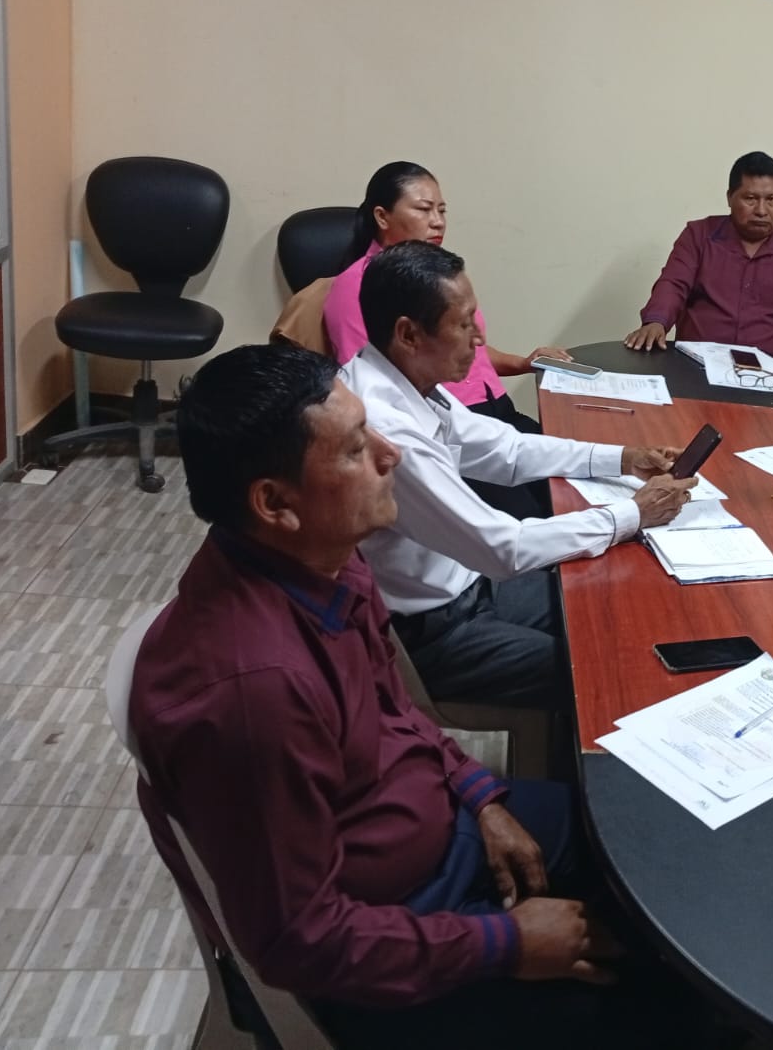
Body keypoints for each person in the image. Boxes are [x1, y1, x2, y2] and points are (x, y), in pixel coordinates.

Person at [130, 343, 651, 1049]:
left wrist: (479, 796)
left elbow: (396, 710)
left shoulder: (326, 565)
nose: (391, 454)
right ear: (276, 504)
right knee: (653, 1003)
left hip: (436, 832)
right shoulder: (255, 694)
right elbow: (300, 940)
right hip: (388, 943)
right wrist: (505, 943)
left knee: (637, 842)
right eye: (355, 449)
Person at [341, 243, 694, 708]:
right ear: (409, 334)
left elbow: (507, 448)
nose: (478, 338)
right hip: (439, 631)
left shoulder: (402, 382)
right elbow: (502, 547)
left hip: (473, 582)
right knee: (608, 667)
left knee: (615, 604)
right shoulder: (387, 431)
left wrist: (624, 458)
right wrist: (633, 514)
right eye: (463, 323)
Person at [325, 161, 570, 518]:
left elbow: (472, 349)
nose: (438, 221)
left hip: (494, 413)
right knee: (540, 517)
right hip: (449, 432)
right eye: (424, 209)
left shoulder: (438, 276)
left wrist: (522, 362)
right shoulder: (356, 287)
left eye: (442, 210)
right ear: (382, 216)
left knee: (577, 483)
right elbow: (368, 381)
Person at [625, 151, 773, 358]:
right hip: (695, 368)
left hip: (767, 377)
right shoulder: (699, 236)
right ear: (729, 198)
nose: (761, 210)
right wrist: (656, 322)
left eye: (772, 200)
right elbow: (673, 284)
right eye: (750, 198)